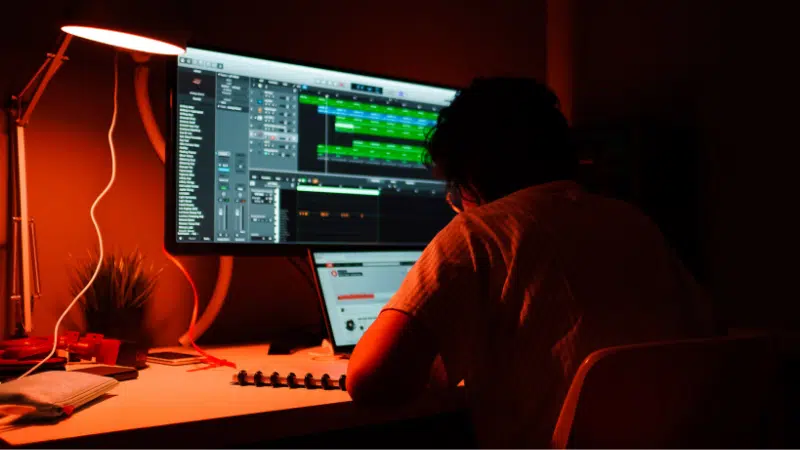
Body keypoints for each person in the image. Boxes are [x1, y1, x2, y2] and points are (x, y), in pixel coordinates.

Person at [345, 77, 714, 448]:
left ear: (471, 177)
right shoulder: (636, 222)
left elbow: (371, 381)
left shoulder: (479, 231)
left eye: (454, 186)